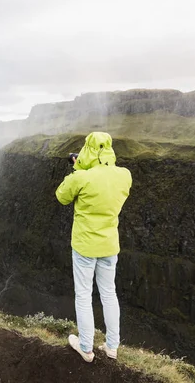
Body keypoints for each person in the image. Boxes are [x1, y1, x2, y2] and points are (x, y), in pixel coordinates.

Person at [55, 132, 132, 362]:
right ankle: (112, 347)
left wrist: (79, 169)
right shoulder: (125, 176)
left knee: (84, 295)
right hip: (109, 246)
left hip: (85, 247)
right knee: (109, 294)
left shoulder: (81, 177)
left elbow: (61, 196)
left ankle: (86, 348)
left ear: (87, 149)